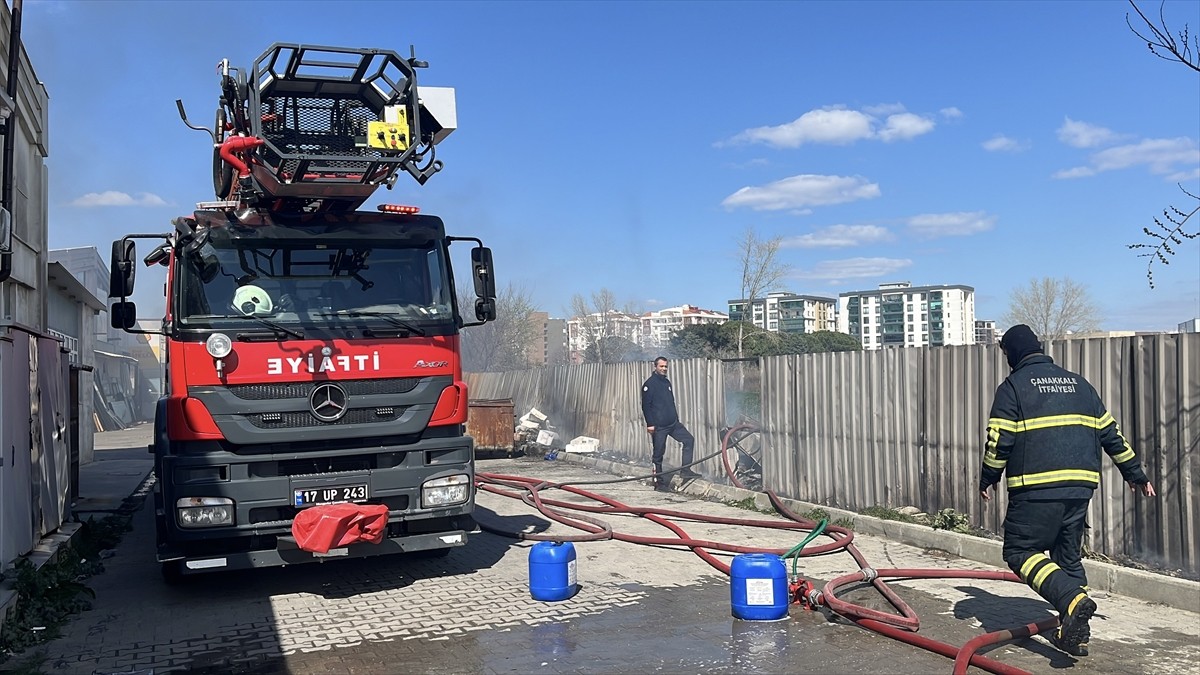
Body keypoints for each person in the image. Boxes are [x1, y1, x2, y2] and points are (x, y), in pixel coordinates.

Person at [979, 324, 1156, 658]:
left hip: (1036, 488)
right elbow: (1111, 435)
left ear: (1013, 352)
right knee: (1068, 558)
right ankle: (1076, 633)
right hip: (1080, 488)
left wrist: (988, 477)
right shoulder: (1080, 385)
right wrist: (1135, 473)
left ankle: (1072, 600)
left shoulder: (1013, 387)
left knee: (1020, 551)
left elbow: (999, 439)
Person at [641, 356, 698, 491]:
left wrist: (676, 419)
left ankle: (685, 470)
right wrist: (650, 424)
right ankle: (659, 483)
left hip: (672, 423)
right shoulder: (649, 384)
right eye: (661, 366)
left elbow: (670, 402)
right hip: (659, 426)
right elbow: (646, 406)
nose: (664, 369)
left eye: (665, 366)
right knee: (658, 454)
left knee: (689, 440)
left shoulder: (667, 383)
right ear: (655, 367)